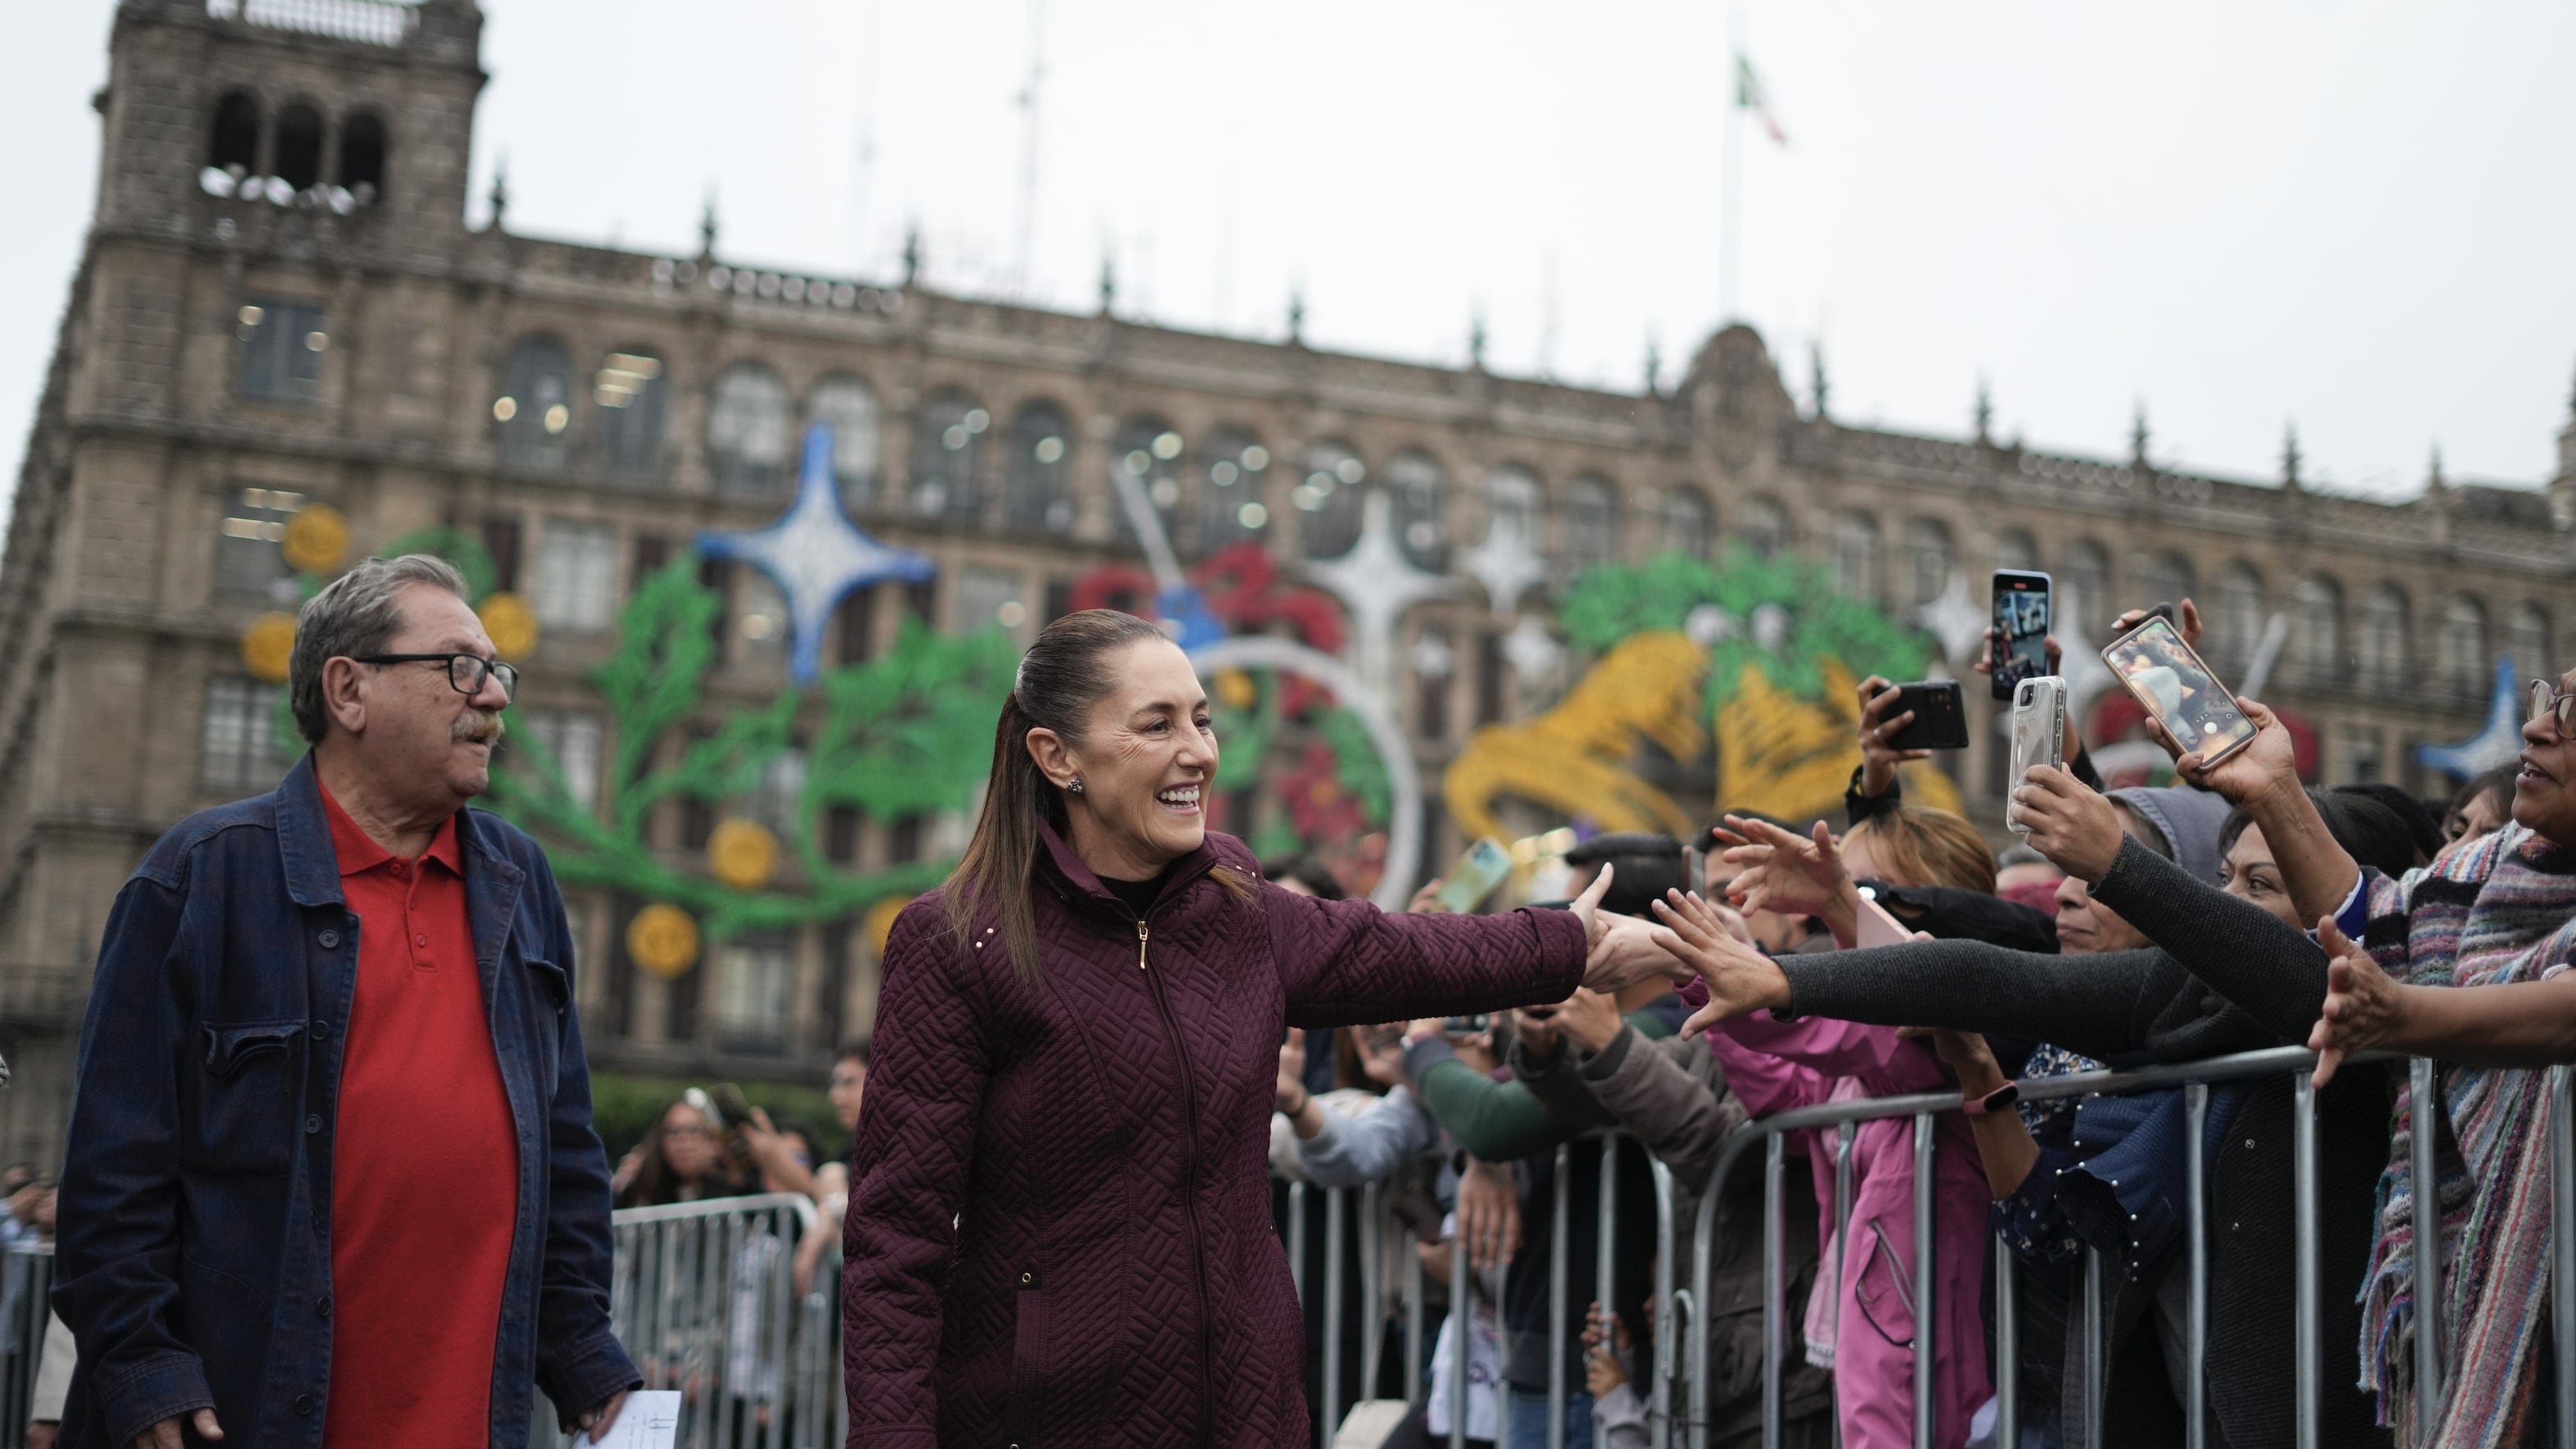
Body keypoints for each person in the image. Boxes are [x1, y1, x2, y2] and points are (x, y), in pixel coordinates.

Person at [841, 608, 1670, 1447]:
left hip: (1247, 1406)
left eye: (1201, 719)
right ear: (1057, 757)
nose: (1198, 751)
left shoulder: (1234, 904)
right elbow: (894, 1240)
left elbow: (1398, 950)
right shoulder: (957, 940)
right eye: (1156, 724)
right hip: (1050, 1415)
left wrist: (1573, 940)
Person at [55, 554, 635, 1448]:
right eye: (460, 667)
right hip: (244, 1418)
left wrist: (586, 1357)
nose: (494, 699)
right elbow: (113, 1174)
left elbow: (562, 1151)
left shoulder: (524, 883)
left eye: (497, 672)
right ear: (348, 690)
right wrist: (143, 1369)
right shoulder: (200, 879)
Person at [1670, 773, 2414, 1446]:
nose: (2225, 904)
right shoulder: (2184, 998)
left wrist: (2120, 861)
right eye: (2221, 879)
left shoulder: (2358, 1013)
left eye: (2261, 885)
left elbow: (2294, 975)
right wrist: (1779, 977)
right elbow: (1990, 977)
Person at [2159, 673, 2576, 1444]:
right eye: (2551, 700)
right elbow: (2371, 919)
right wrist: (2276, 790)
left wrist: (2407, 1014)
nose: (2540, 728)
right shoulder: (2491, 869)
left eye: (2574, 715)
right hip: (2490, 1314)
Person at [614, 1095, 755, 1209]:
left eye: (694, 1131)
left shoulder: (734, 1189)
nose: (683, 1142)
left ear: (713, 1141)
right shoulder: (646, 1188)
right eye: (673, 1132)